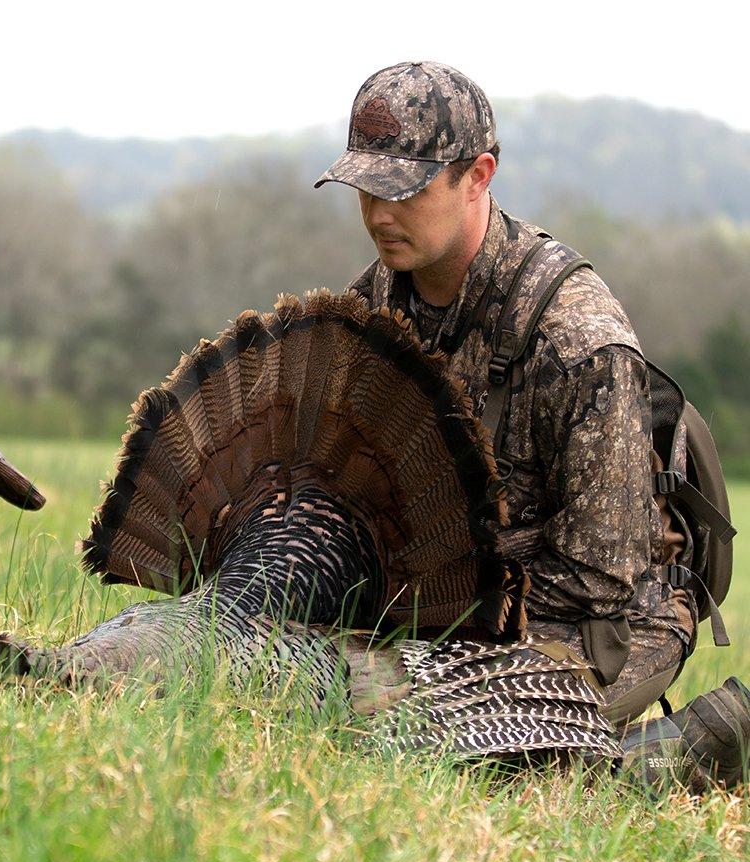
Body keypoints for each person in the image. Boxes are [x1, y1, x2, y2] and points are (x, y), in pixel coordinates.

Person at [314, 61, 749, 789]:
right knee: (302, 678)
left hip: (607, 621)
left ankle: (679, 751)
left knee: (437, 737)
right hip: (446, 597)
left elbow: (600, 577)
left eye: (407, 189)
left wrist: (436, 632)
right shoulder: (379, 302)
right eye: (367, 188)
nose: (380, 213)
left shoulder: (578, 338)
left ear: (478, 175)